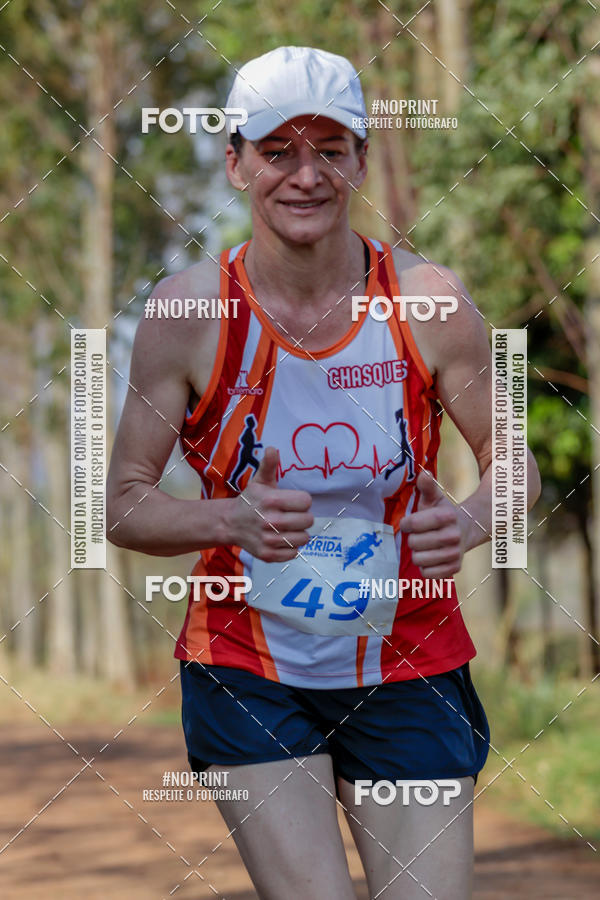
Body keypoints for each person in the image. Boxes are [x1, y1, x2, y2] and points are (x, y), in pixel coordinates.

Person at [107, 46, 541, 900]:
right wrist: (230, 521)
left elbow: (512, 464)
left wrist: (469, 521)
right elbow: (121, 506)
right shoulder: (188, 312)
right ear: (235, 163)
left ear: (361, 162)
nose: (304, 176)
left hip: (411, 658)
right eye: (277, 151)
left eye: (329, 150)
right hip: (247, 669)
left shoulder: (428, 302)